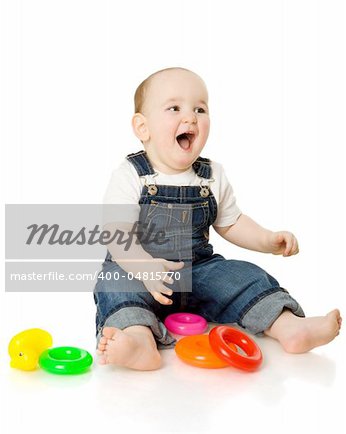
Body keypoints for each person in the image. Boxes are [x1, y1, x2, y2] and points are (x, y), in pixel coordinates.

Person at [93, 67, 342, 371]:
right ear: (142, 127)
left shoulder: (211, 176)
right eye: (175, 108)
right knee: (115, 284)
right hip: (137, 269)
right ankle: (138, 340)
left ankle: (289, 326)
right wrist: (143, 265)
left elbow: (231, 223)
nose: (191, 117)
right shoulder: (131, 175)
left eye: (200, 108)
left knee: (240, 275)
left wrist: (267, 239)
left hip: (199, 269)